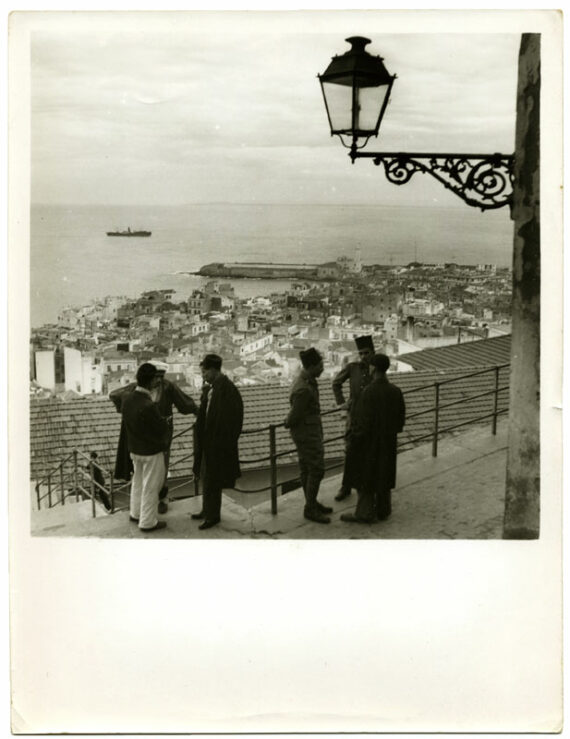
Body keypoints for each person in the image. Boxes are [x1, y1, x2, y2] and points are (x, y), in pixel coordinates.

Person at [110, 362, 198, 513]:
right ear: (150, 378)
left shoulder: (168, 387)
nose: (158, 381)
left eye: (160, 378)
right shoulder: (135, 388)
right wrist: (129, 413)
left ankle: (161, 500)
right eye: (155, 377)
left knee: (161, 469)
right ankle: (144, 512)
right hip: (143, 436)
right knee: (143, 473)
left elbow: (184, 403)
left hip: (161, 435)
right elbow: (114, 395)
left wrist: (196, 410)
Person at [341, 353, 405, 524]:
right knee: (384, 474)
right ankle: (384, 509)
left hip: (369, 443)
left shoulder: (368, 392)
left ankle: (364, 512)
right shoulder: (396, 391)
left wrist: (353, 438)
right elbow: (400, 422)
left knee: (366, 477)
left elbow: (361, 423)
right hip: (388, 442)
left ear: (374, 369)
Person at [192, 354, 244, 530]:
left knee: (213, 480)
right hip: (208, 443)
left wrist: (224, 442)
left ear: (214, 370)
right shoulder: (213, 388)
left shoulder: (228, 390)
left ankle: (212, 516)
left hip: (219, 445)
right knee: (207, 478)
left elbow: (236, 420)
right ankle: (207, 510)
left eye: (205, 372)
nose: (203, 375)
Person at [284, 347, 333, 524]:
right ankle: (310, 508)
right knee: (317, 468)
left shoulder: (307, 380)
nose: (322, 369)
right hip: (306, 434)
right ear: (311, 366)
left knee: (306, 469)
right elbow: (295, 415)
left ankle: (311, 503)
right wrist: (286, 421)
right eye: (320, 366)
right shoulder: (304, 388)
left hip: (308, 431)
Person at [121, 362, 171, 532]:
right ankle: (148, 522)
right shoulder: (149, 405)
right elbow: (160, 428)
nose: (157, 382)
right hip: (151, 451)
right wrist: (164, 420)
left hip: (135, 449)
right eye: (155, 379)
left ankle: (135, 513)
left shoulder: (127, 400)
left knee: (138, 483)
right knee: (151, 486)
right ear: (150, 382)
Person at [331, 335, 375, 502]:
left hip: (370, 418)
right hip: (354, 417)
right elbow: (336, 383)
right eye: (361, 353)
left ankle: (366, 486)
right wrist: (342, 403)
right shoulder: (352, 368)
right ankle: (346, 486)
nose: (363, 356)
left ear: (372, 352)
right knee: (350, 451)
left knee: (368, 452)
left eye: (366, 353)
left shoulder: (376, 369)